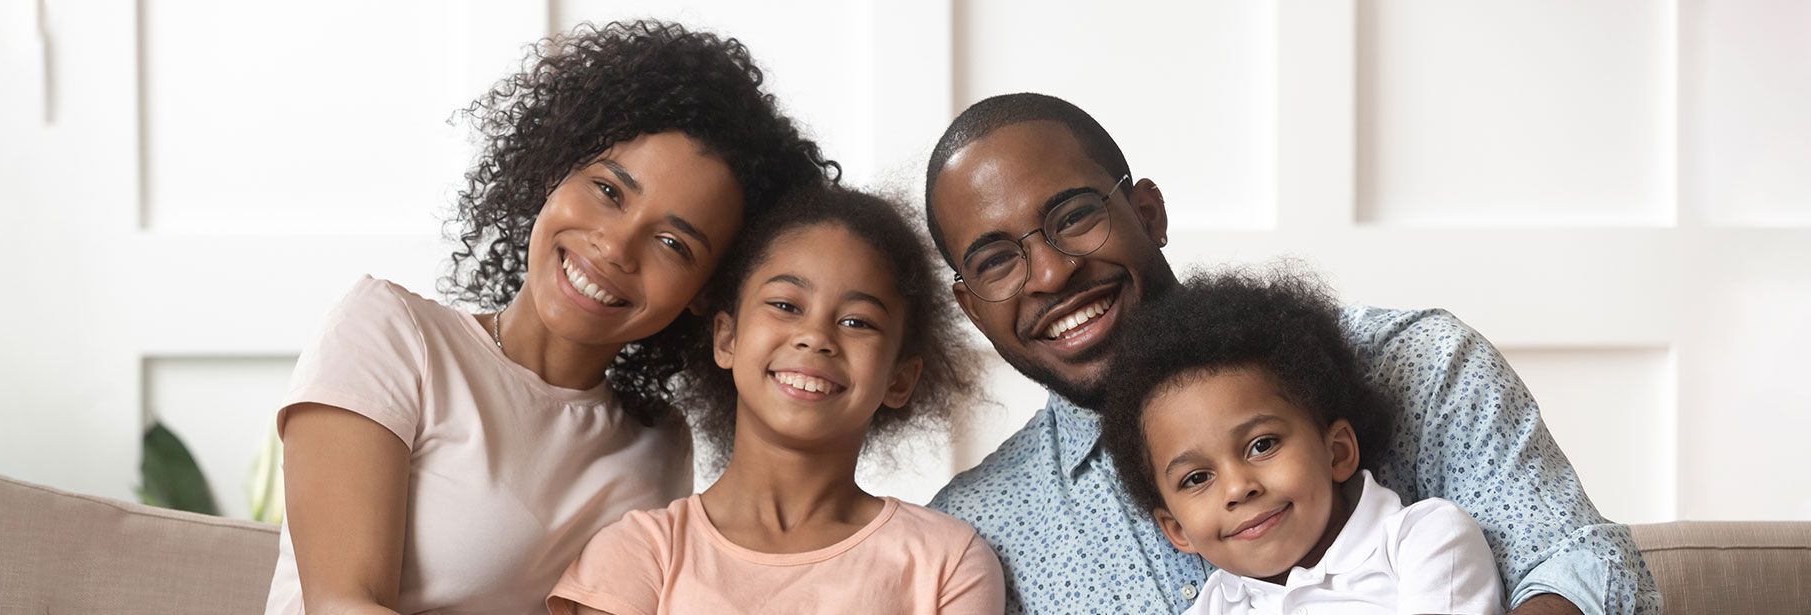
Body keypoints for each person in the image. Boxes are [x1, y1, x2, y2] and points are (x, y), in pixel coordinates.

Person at [920, 93, 1659, 614]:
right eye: (995, 260)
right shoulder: (976, 533)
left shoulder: (1420, 364)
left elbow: (1583, 564)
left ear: (1147, 213)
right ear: (970, 304)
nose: (1050, 273)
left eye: (1073, 216)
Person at [266, 21, 836, 614]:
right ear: (554, 171)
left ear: (707, 293)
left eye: (673, 243)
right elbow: (341, 604)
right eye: (609, 191)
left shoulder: (659, 448)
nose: (615, 247)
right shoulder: (391, 334)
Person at [546, 187, 1004, 615]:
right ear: (727, 338)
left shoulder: (946, 562)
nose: (815, 337)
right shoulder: (638, 554)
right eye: (786, 305)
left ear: (899, 380)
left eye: (857, 322)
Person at [1103, 267, 1503, 614]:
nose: (1238, 488)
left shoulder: (1425, 540)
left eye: (1262, 445)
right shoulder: (1214, 606)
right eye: (1196, 478)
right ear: (1177, 530)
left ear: (1338, 452)